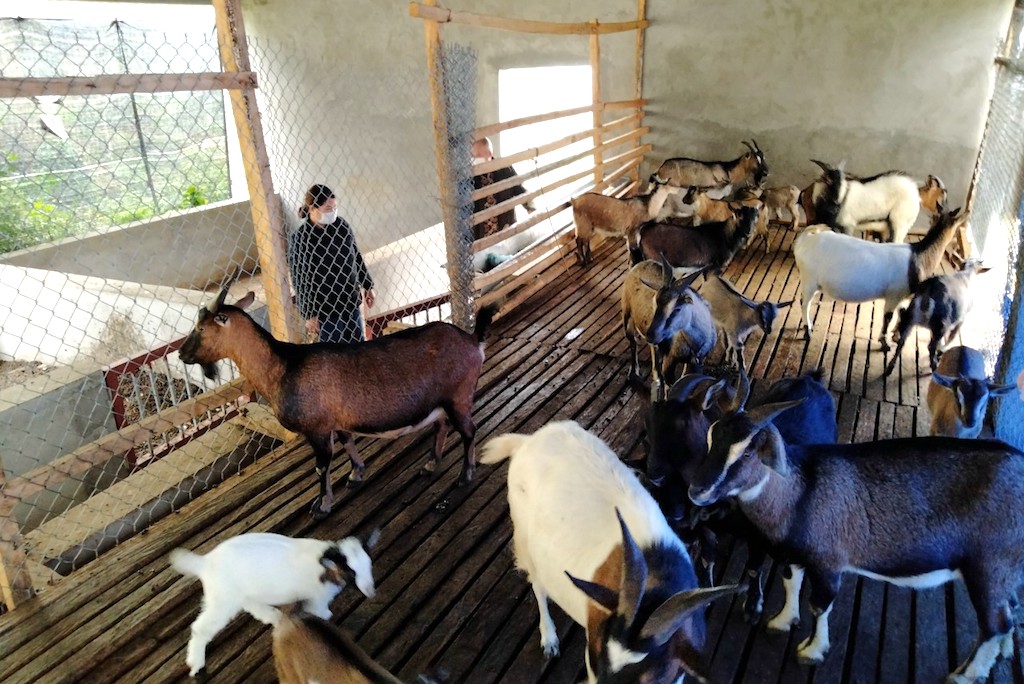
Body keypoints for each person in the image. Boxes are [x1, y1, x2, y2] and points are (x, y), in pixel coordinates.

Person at [287, 184, 375, 344]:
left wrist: (368, 285)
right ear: (312, 208)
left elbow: (356, 256)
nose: (333, 212)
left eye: (335, 207)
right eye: (328, 208)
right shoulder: (301, 239)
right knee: (334, 354)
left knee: (357, 347)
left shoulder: (341, 226)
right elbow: (299, 280)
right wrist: (309, 314)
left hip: (350, 300)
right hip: (326, 309)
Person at [471, 137, 534, 241]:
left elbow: (520, 190)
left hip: (505, 229)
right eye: (473, 156)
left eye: (479, 155)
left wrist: (531, 208)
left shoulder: (504, 169)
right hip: (481, 237)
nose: (475, 159)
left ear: (490, 153)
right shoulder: (471, 176)